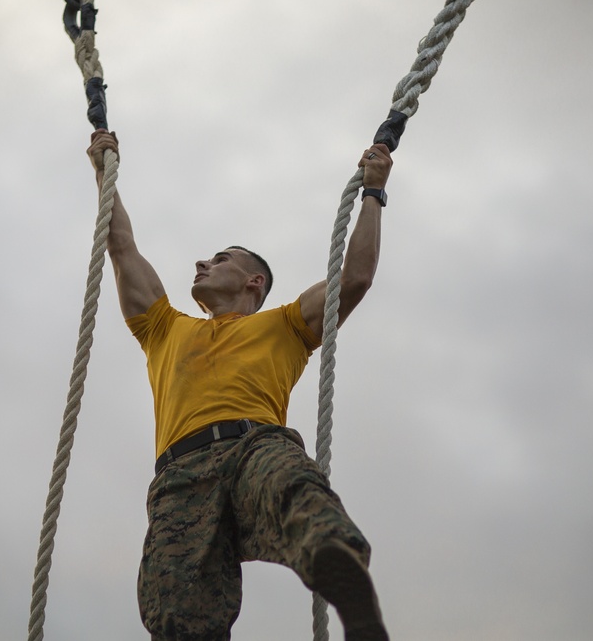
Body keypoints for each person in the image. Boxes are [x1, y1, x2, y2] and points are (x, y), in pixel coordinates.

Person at [87, 128, 393, 641]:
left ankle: (339, 570)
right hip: (181, 475)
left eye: (221, 259)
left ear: (254, 282)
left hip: (253, 446)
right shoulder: (164, 327)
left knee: (293, 487)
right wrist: (104, 171)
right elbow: (121, 247)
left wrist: (374, 192)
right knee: (178, 614)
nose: (203, 263)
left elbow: (355, 277)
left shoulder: (286, 325)